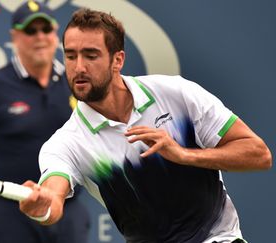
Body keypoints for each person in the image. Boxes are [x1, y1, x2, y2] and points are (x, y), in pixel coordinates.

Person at [19, 8, 273, 243]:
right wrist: (42, 207)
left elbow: (259, 154)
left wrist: (183, 154)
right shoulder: (65, 143)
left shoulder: (176, 93)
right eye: (71, 56)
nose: (78, 67)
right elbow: (53, 197)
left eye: (91, 55)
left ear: (117, 60)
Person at [0, 2, 90, 243]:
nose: (39, 37)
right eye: (30, 31)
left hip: (67, 213)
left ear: (55, 34)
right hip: (9, 216)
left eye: (45, 29)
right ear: (15, 37)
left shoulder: (75, 85)